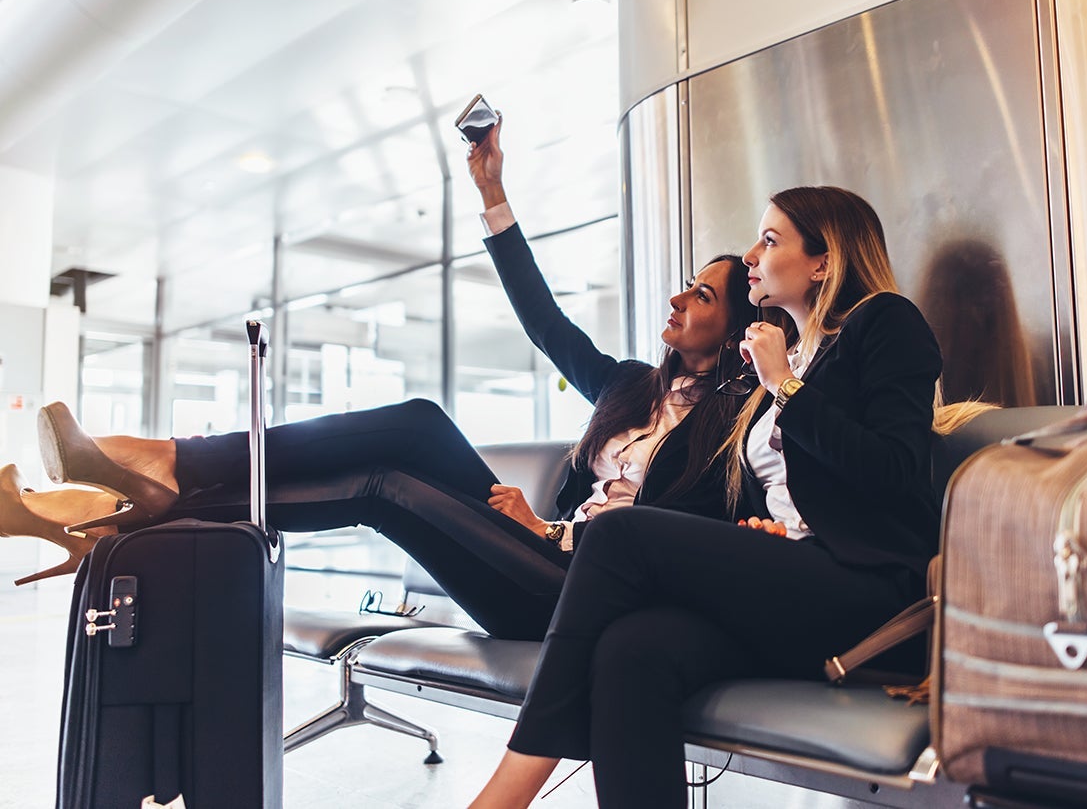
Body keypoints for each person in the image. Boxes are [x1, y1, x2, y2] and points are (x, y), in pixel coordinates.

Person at [0, 119, 760, 641]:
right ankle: (151, 487)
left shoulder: (735, 430)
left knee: (382, 485)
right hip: (525, 548)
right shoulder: (631, 386)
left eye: (701, 295)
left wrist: (553, 530)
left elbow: (684, 539)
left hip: (578, 587)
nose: (677, 297)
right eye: (684, 283)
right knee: (419, 423)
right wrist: (492, 193)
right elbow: (543, 321)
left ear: (734, 328)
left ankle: (151, 482)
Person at [470, 185, 974, 808]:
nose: (752, 254)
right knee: (634, 650)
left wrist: (785, 385)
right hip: (796, 580)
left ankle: (508, 791)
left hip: (867, 590)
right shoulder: (784, 362)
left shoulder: (882, 321)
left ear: (822, 262)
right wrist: (763, 528)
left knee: (618, 533)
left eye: (770, 239)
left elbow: (894, 472)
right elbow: (787, 488)